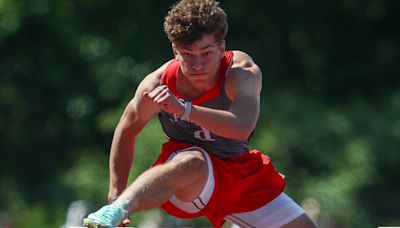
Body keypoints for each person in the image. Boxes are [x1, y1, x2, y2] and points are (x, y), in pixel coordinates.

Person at [83, 0, 318, 227]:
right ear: (175, 50)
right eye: (188, 54)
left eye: (206, 53)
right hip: (189, 183)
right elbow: (126, 130)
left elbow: (242, 126)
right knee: (193, 161)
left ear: (221, 48)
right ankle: (116, 211)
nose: (197, 65)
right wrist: (116, 196)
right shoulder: (157, 84)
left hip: (240, 175)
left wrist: (184, 109)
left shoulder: (240, 73)